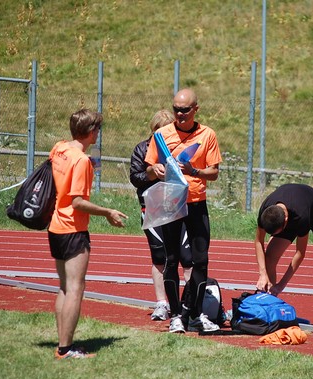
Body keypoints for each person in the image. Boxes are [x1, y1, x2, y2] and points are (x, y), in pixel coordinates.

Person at [49, 109, 128, 359]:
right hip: (73, 228)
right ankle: (65, 348)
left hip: (55, 227)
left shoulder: (59, 148)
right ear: (91, 132)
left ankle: (62, 344)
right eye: (97, 130)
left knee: (64, 287)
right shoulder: (82, 160)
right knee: (74, 288)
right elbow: (78, 202)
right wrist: (107, 212)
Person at [144, 88, 223, 334]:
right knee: (171, 260)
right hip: (170, 203)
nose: (179, 114)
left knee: (200, 261)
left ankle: (196, 313)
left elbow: (215, 172)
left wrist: (194, 172)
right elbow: (148, 168)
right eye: (176, 109)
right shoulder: (161, 135)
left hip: (197, 203)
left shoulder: (207, 134)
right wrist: (154, 170)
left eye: (185, 110)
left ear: (195, 109)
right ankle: (176, 315)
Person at [130, 109, 192, 321]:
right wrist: (150, 172)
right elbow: (135, 177)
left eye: (168, 132)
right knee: (160, 257)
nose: (164, 137)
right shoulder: (142, 149)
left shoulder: (179, 147)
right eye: (160, 133)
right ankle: (162, 303)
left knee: (187, 258)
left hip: (178, 209)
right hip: (152, 210)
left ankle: (187, 303)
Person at [255, 183, 313, 329]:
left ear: (285, 222)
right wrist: (262, 274)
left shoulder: (301, 217)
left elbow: (300, 253)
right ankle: (269, 304)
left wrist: (281, 285)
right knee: (269, 257)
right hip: (289, 212)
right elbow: (259, 241)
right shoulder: (266, 210)